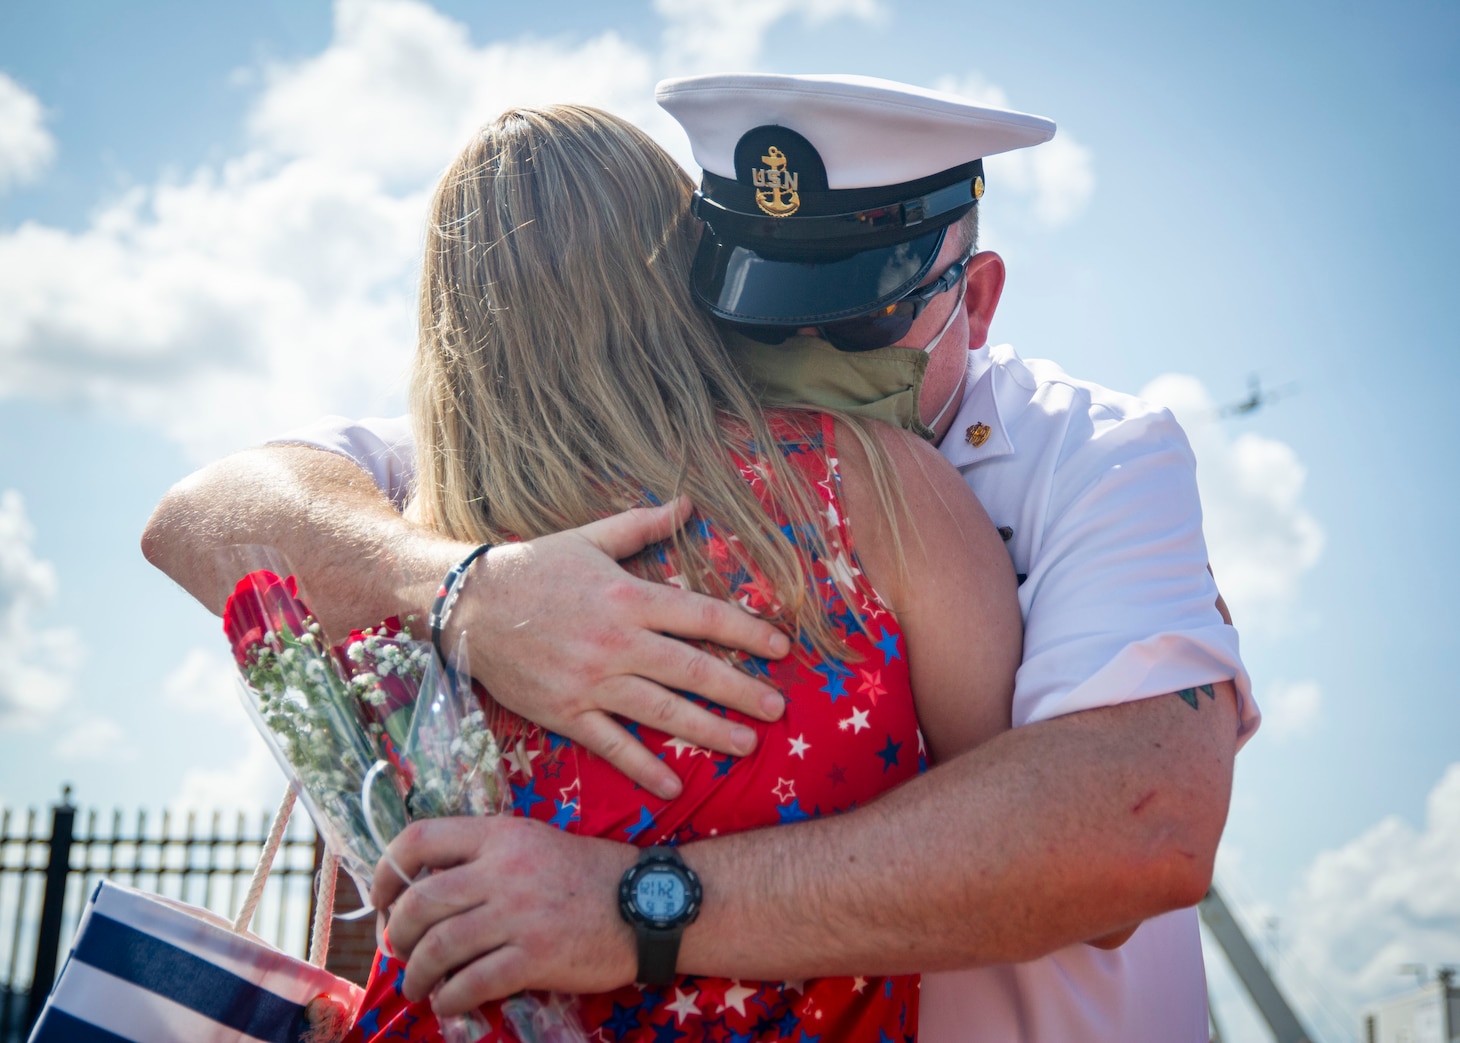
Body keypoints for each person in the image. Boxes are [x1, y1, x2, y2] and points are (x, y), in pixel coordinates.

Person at [143, 74, 1257, 1042]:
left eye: (858, 321)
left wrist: (631, 905)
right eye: (760, 322)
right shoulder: (469, 496)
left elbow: (1129, 824)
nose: (808, 359)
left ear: (974, 294)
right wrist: (467, 591)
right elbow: (210, 509)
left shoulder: (1093, 454)